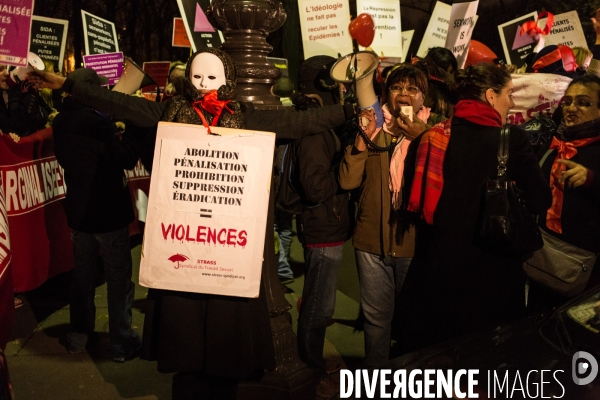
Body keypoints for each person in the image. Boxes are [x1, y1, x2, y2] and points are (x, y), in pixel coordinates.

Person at [28, 48, 355, 399]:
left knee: (225, 345)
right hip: (184, 246)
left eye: (212, 78)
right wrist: (67, 85)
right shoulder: (171, 112)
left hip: (227, 248)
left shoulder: (244, 116)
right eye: (196, 77)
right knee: (185, 343)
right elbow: (121, 105)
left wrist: (349, 112)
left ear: (227, 80)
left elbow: (297, 122)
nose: (203, 85)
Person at [398, 63, 552, 353]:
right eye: (508, 94)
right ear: (491, 96)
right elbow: (540, 201)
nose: (512, 102)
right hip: (493, 277)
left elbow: (415, 203)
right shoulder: (513, 140)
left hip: (438, 275)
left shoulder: (432, 137)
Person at [338, 64, 441, 369]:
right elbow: (347, 182)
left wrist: (425, 136)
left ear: (424, 97)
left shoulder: (437, 131)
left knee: (415, 320)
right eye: (397, 88)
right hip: (371, 242)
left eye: (413, 88)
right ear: (387, 94)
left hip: (415, 245)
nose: (404, 94)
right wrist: (361, 141)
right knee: (376, 322)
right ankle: (376, 381)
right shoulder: (375, 130)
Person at [51, 68, 141, 362]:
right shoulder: (97, 125)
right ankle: (121, 342)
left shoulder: (62, 121)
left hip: (80, 213)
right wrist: (131, 129)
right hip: (107, 214)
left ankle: (79, 336)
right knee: (117, 280)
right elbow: (125, 159)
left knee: (83, 277)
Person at [291, 56, 354, 397]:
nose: (344, 88)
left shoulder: (318, 120)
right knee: (319, 304)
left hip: (324, 222)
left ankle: (310, 359)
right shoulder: (315, 128)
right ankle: (310, 364)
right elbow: (315, 185)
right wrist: (345, 178)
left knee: (319, 300)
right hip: (322, 224)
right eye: (338, 82)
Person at [528, 74, 600, 310]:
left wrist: (591, 179)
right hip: (544, 260)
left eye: (583, 102)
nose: (571, 108)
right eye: (567, 101)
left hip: (585, 270)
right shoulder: (553, 142)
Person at [0, 64, 50, 137]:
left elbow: (43, 117)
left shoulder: (14, 90)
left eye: (6, 68)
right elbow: (14, 125)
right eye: (0, 69)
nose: (7, 73)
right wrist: (28, 96)